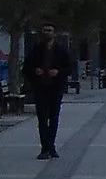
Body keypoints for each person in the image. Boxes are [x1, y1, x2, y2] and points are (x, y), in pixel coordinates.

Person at [23, 22, 75, 160]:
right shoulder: (36, 49)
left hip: (55, 88)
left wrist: (58, 72)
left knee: (54, 117)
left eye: (50, 30)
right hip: (40, 88)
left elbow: (69, 68)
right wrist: (35, 71)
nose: (47, 33)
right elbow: (26, 67)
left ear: (54, 33)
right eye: (45, 30)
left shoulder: (61, 50)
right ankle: (44, 148)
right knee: (42, 118)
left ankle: (51, 146)